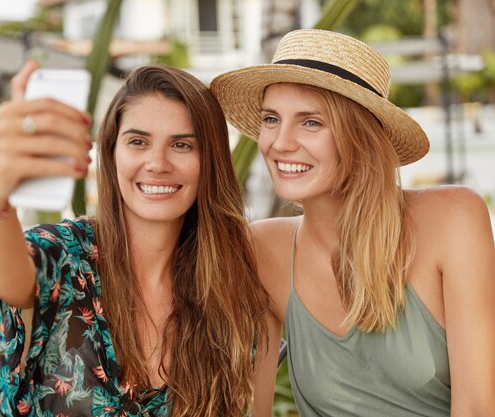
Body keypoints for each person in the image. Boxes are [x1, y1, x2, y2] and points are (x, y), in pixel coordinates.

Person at [211, 29, 495, 416]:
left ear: (359, 137)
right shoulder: (263, 248)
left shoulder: (452, 219)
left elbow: (478, 407)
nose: (280, 142)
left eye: (310, 122)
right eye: (271, 119)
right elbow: (247, 406)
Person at [0, 62, 276, 417]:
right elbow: (5, 279)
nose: (157, 163)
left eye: (181, 144)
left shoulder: (230, 285)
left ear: (209, 161)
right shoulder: (64, 255)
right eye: (138, 142)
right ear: (112, 153)